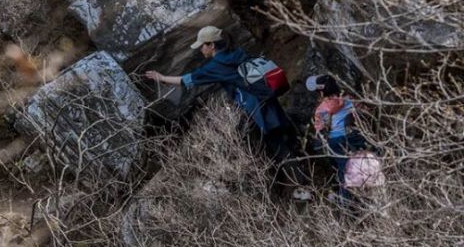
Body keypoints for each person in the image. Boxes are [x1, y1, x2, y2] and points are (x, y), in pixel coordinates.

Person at [145, 26, 310, 198]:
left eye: (202, 45)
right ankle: (305, 172)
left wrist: (162, 78)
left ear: (211, 46)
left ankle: (302, 185)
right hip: (268, 99)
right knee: (286, 138)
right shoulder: (236, 52)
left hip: (256, 108)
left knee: (278, 148)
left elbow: (187, 80)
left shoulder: (216, 66)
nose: (200, 49)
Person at [307, 74, 365, 206]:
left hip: (336, 142)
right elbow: (364, 113)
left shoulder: (321, 109)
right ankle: (350, 196)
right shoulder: (349, 99)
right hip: (355, 138)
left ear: (321, 92)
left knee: (345, 171)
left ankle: (346, 203)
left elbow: (320, 130)